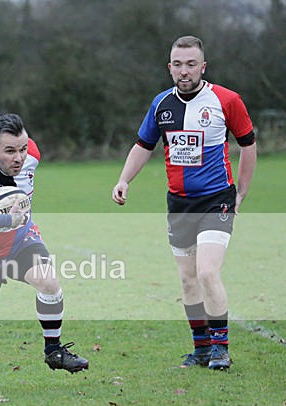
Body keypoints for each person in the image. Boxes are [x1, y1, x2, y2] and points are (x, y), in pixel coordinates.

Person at [111, 35, 257, 370]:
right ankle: (202, 349)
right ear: (169, 68)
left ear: (202, 67)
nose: (184, 71)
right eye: (178, 64)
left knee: (207, 272)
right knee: (188, 279)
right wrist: (123, 180)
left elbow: (248, 145)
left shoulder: (226, 100)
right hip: (178, 205)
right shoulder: (161, 104)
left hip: (216, 201)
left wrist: (241, 192)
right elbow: (143, 145)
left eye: (191, 64)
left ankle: (221, 348)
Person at [0, 113, 89, 390]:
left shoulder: (30, 154)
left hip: (20, 240)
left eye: (23, 149)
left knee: (49, 281)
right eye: (10, 151)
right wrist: (5, 220)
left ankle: (54, 351)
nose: (19, 157)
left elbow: (27, 153)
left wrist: (15, 225)